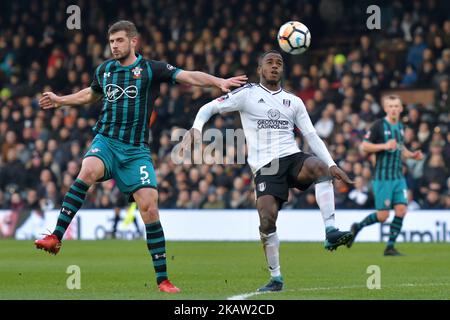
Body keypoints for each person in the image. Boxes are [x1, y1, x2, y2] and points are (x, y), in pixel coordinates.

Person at [34, 20, 247, 293]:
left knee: (149, 208)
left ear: (133, 42)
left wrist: (218, 81)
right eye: (111, 42)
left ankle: (163, 279)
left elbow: (188, 76)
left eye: (119, 41)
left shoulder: (151, 69)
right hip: (107, 142)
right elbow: (90, 94)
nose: (114, 46)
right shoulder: (105, 71)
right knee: (87, 171)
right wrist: (60, 100)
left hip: (136, 151)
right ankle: (56, 236)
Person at [182, 50, 354, 292]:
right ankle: (276, 278)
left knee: (319, 167)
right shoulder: (247, 94)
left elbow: (311, 135)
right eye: (269, 63)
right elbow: (208, 108)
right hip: (266, 167)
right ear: (260, 69)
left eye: (279, 63)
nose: (274, 66)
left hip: (292, 157)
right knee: (267, 219)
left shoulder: (294, 101)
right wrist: (197, 128)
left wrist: (333, 164)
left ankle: (331, 230)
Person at [347, 95, 423, 256]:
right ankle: (357, 227)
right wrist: (384, 145)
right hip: (383, 178)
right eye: (391, 106)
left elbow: (400, 147)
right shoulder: (378, 126)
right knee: (383, 216)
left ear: (401, 108)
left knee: (402, 209)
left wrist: (412, 155)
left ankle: (390, 247)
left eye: (397, 106)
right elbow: (364, 146)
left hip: (398, 177)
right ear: (386, 108)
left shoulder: (401, 127)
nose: (394, 109)